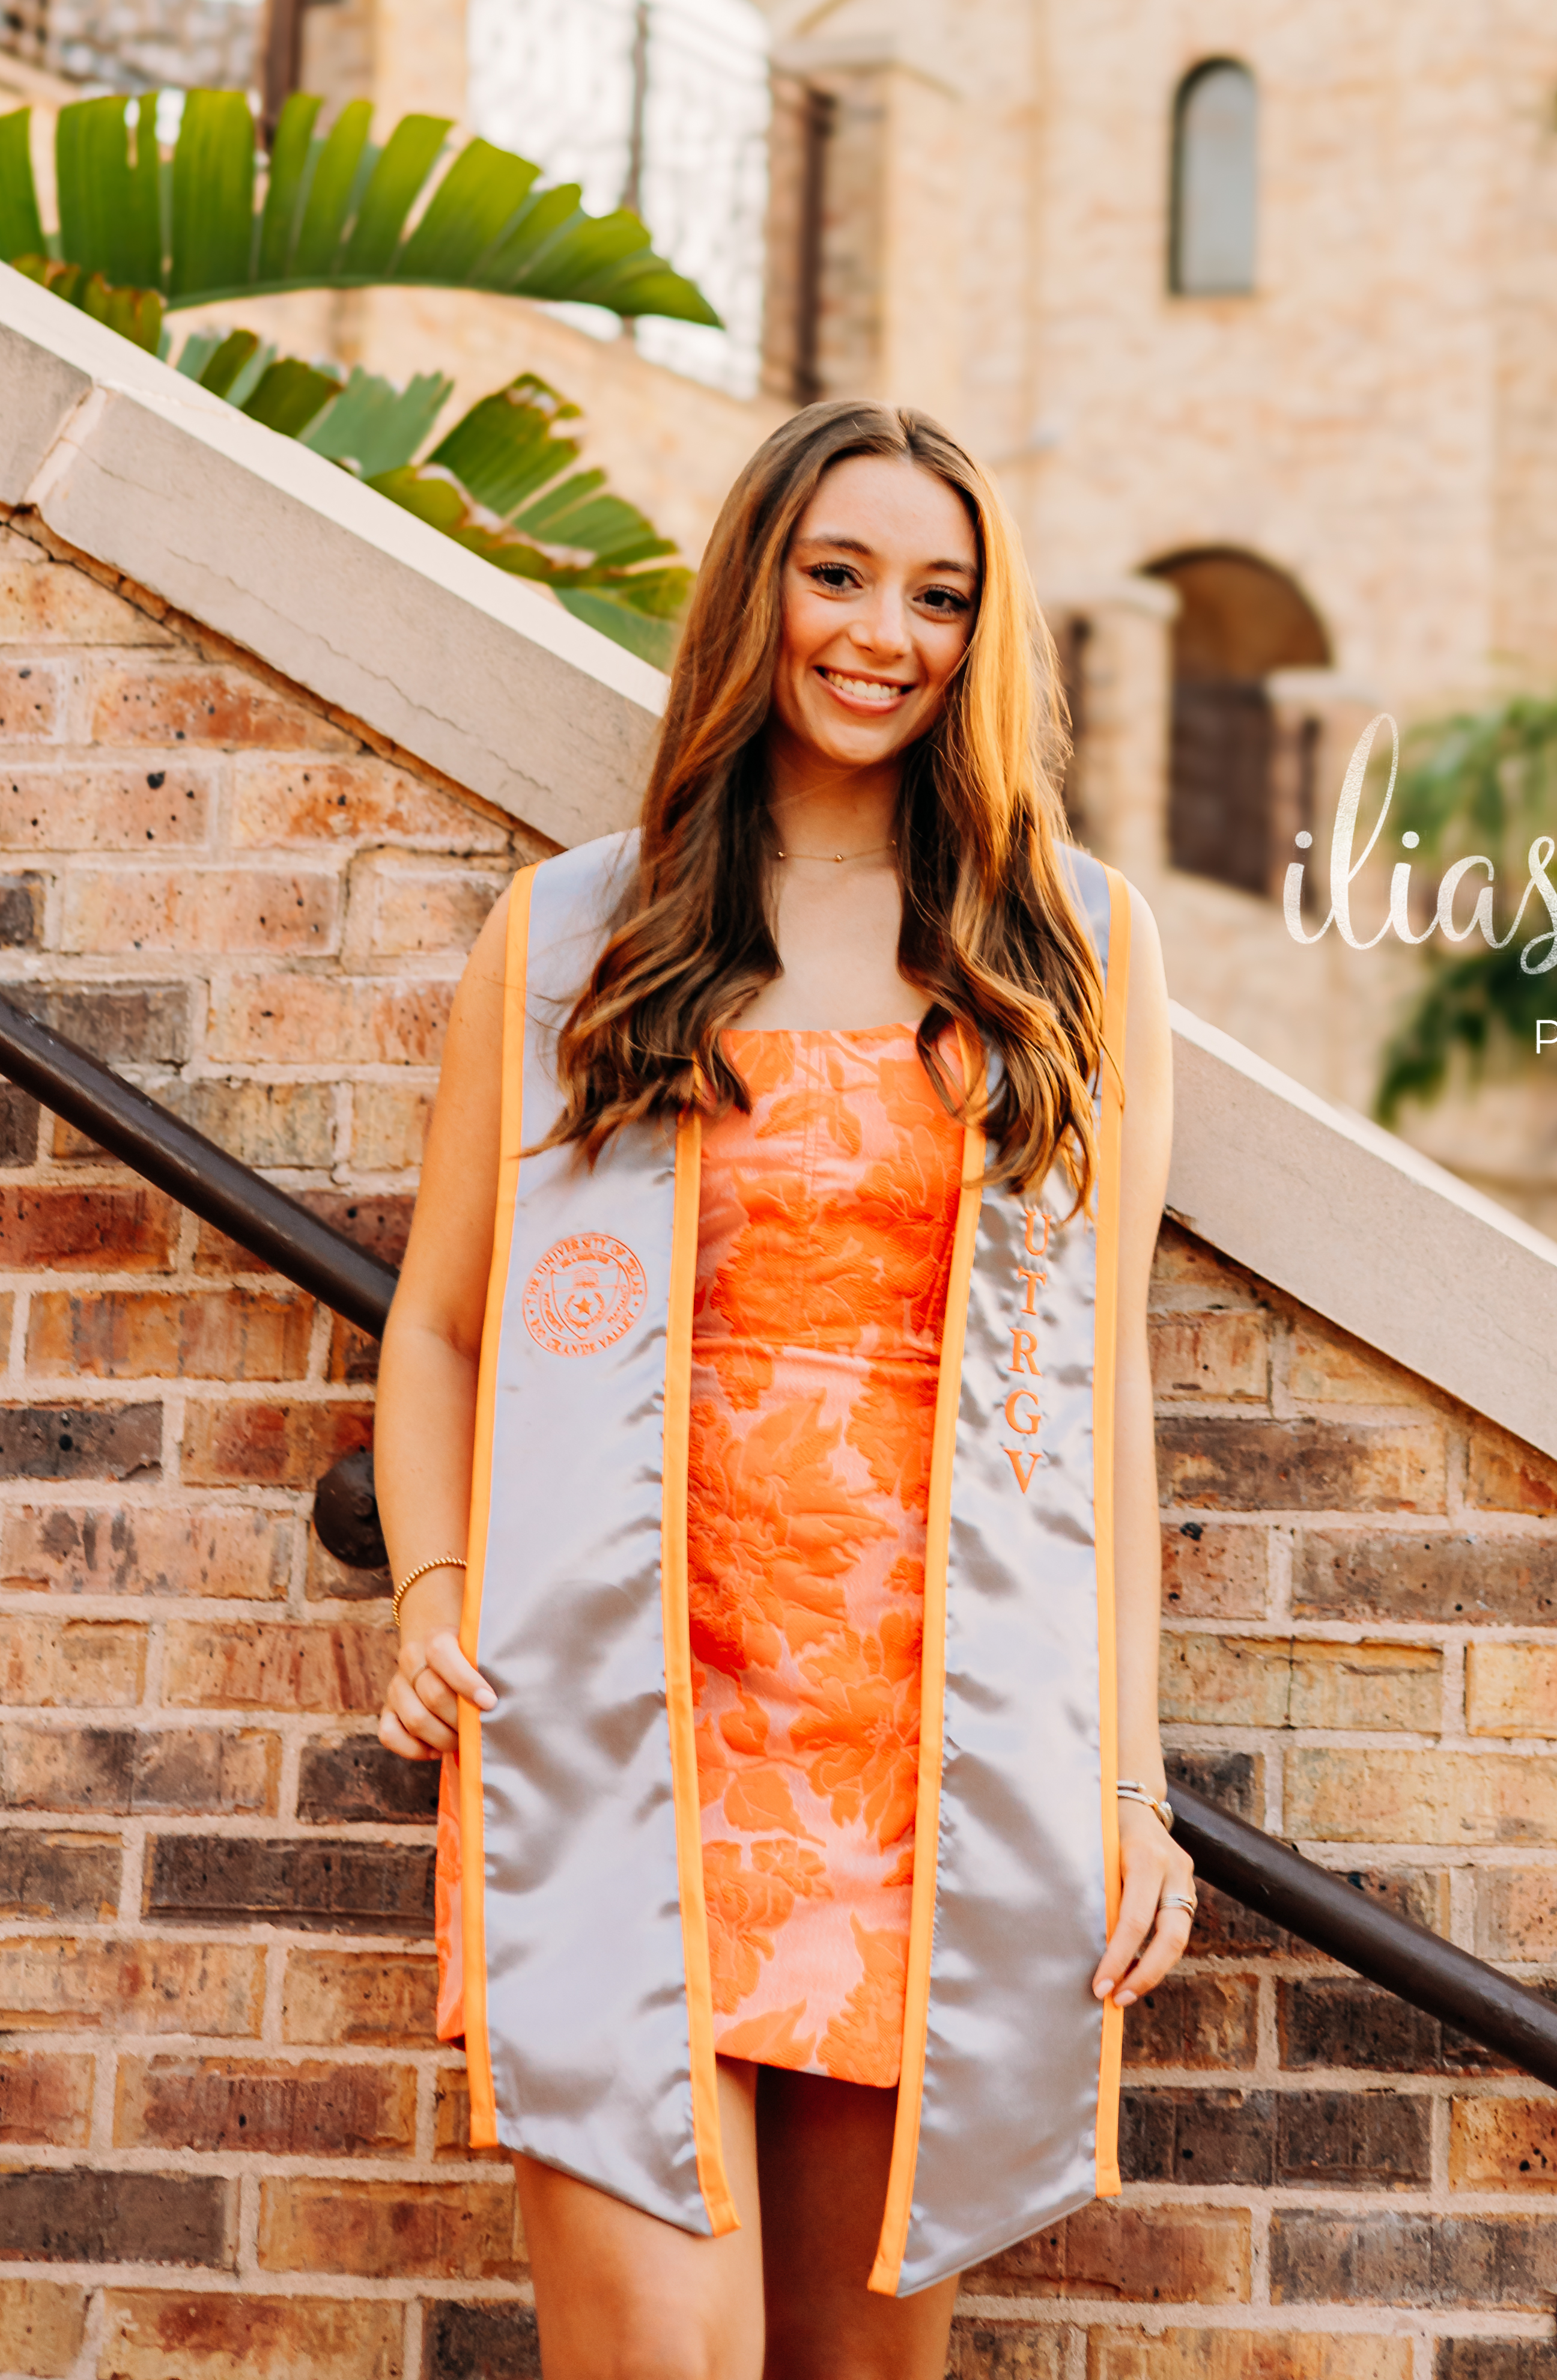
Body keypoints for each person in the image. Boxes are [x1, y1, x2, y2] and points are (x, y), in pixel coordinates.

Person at [372, 397, 1188, 2380]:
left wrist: (1129, 1783)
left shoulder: (1071, 950)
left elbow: (1103, 1389)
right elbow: (446, 1324)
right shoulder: (583, 932)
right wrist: (427, 1592)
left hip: (940, 1754)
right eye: (839, 575)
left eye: (940, 595)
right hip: (625, 1727)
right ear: (761, 590)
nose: (881, 635)